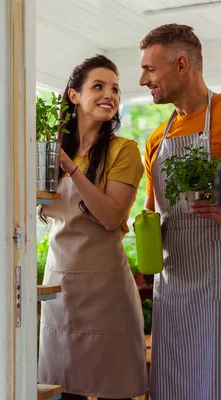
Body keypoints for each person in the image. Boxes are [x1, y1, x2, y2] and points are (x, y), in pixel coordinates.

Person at [138, 24, 221, 399]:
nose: (143, 80)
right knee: (175, 385)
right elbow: (151, 210)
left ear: (182, 64)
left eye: (150, 69)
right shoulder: (156, 138)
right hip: (173, 286)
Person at [38, 54, 148, 400]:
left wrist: (71, 169)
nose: (110, 95)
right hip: (59, 286)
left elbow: (112, 216)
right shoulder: (48, 152)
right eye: (98, 86)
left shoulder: (123, 151)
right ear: (74, 96)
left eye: (115, 88)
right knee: (62, 390)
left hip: (106, 292)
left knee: (112, 389)